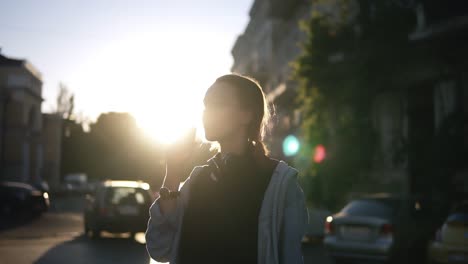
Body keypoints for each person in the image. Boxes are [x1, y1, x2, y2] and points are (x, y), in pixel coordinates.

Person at [145, 74, 308, 264]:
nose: (207, 113)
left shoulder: (279, 183)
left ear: (246, 115)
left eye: (218, 104)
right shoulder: (198, 179)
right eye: (206, 105)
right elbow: (159, 249)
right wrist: (172, 172)